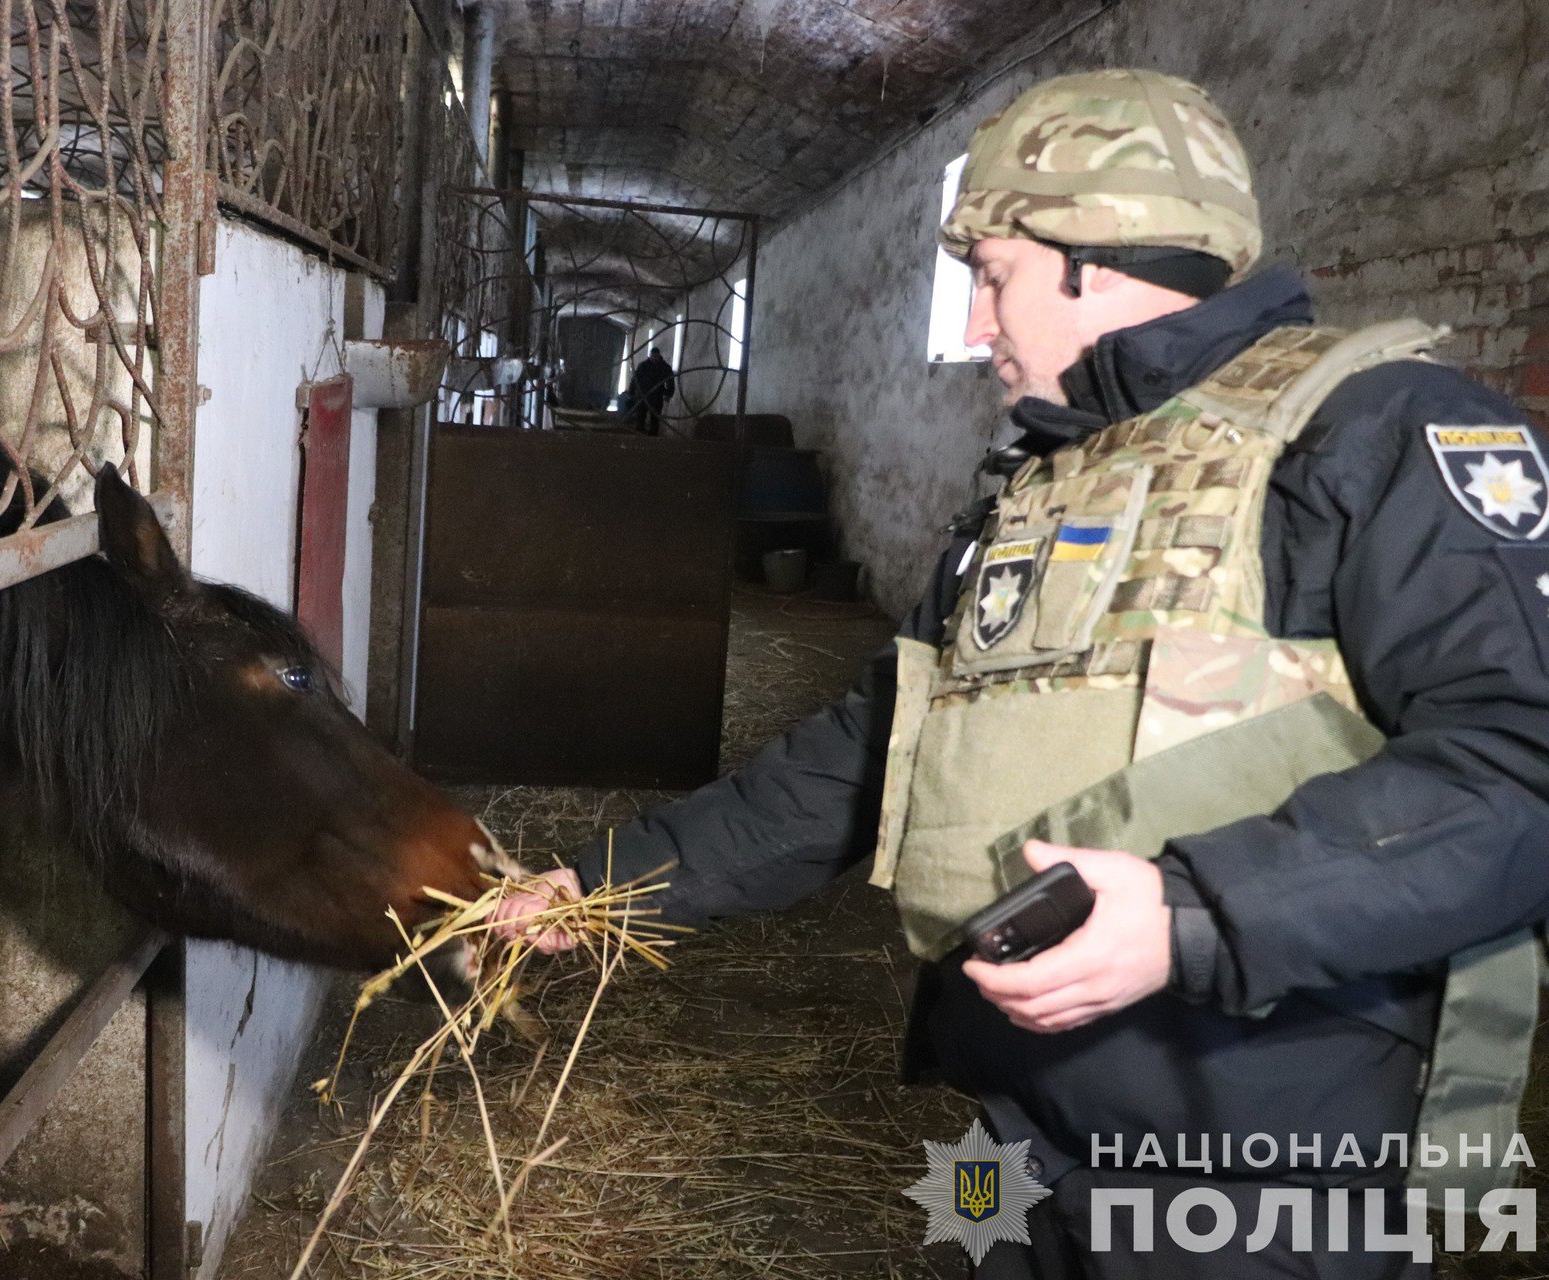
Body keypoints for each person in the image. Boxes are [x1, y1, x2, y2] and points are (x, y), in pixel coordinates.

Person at [491, 68, 1549, 1278]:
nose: (979, 328)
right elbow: (871, 749)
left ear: (1097, 257)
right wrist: (603, 883)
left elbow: (1522, 768)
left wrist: (1197, 913)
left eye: (994, 279)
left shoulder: (1374, 436)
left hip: (1254, 1161)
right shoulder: (1048, 482)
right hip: (1015, 1129)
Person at [631, 345, 676, 434]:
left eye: (656, 356)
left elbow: (670, 382)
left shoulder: (664, 367)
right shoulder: (643, 366)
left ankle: (652, 439)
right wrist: (632, 390)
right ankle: (639, 437)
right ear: (650, 356)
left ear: (659, 356)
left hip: (656, 396)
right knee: (640, 417)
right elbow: (635, 379)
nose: (654, 358)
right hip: (643, 395)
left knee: (654, 419)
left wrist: (668, 393)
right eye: (653, 356)